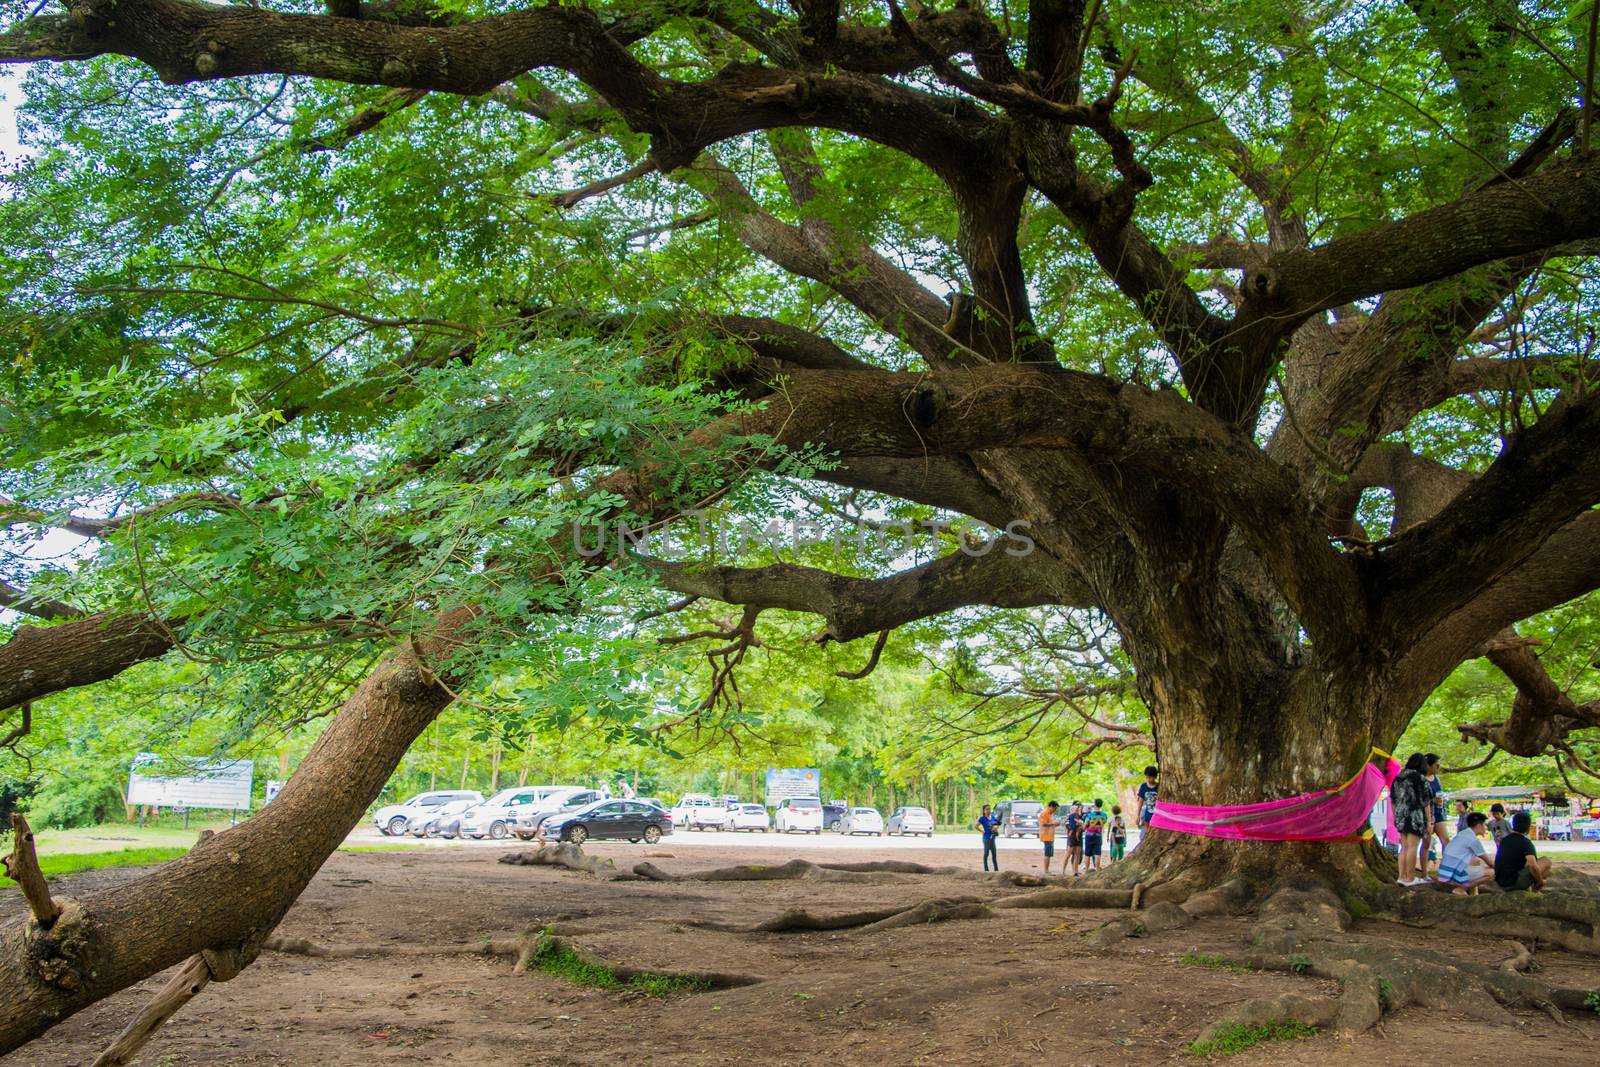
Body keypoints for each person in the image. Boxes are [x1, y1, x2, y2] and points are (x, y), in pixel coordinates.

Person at [1391, 753, 1431, 886]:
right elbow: (1426, 802)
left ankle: (1401, 876)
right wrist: (1429, 821)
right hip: (1414, 815)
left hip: (1400, 815)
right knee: (1413, 846)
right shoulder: (1420, 778)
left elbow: (1393, 800)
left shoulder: (1398, 777)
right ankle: (1410, 878)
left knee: (1404, 847)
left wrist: (1395, 816)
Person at [1435, 812, 1495, 894]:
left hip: (1445, 872)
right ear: (1479, 825)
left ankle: (1474, 894)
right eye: (1484, 825)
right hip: (1454, 874)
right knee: (1493, 873)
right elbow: (1490, 862)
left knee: (1476, 862)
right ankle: (1461, 889)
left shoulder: (1463, 833)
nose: (1486, 828)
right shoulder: (1473, 839)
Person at [1494, 811, 1552, 892]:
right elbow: (1533, 866)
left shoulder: (1505, 840)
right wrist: (1540, 881)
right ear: (1528, 827)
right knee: (1546, 861)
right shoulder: (1526, 843)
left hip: (1500, 882)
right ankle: (1536, 890)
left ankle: (1528, 888)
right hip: (1514, 882)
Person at [1419, 754, 1449, 880]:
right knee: (1426, 844)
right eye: (1437, 764)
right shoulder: (1420, 779)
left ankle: (1446, 872)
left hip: (1438, 813)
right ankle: (1425, 873)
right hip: (1426, 815)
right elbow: (1419, 799)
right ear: (1429, 766)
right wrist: (1432, 800)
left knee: (1446, 842)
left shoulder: (1436, 778)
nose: (1439, 767)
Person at [1083, 800, 1107, 872]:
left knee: (1087, 853)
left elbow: (1085, 826)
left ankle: (1086, 870)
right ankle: (1097, 869)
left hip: (1089, 835)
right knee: (1097, 853)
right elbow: (1103, 824)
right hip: (1098, 835)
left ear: (1095, 805)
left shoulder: (1090, 815)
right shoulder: (1104, 815)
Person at [976, 804, 1001, 872]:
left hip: (992, 838)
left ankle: (996, 870)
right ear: (984, 811)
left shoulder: (993, 817)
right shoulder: (982, 818)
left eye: (989, 809)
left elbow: (997, 824)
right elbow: (976, 826)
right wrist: (982, 831)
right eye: (987, 809)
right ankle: (986, 869)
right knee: (986, 854)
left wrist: (995, 828)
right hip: (986, 839)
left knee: (994, 854)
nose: (988, 810)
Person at [1064, 801, 1086, 877]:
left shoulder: (1082, 816)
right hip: (1071, 837)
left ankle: (1075, 871)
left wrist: (1080, 825)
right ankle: (1063, 871)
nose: (1079, 808)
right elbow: (1067, 825)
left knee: (1078, 855)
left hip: (1079, 837)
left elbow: (1084, 827)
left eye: (1080, 807)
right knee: (1068, 854)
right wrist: (1075, 826)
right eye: (1077, 807)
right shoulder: (1070, 816)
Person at [1137, 766, 1159, 836]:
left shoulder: (1159, 786)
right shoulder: (1144, 786)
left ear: (1155, 776)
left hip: (1158, 816)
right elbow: (1140, 802)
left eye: (1151, 777)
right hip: (1148, 817)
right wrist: (1137, 816)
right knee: (1148, 835)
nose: (1149, 779)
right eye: (1147, 777)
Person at [1039, 800, 1059, 875]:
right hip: (1046, 836)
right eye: (1055, 808)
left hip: (1050, 836)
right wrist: (1053, 823)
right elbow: (1044, 824)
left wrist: (1055, 824)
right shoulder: (1045, 813)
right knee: (1047, 853)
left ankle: (1047, 870)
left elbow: (1050, 823)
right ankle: (1046, 870)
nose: (1055, 810)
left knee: (1049, 854)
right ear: (1051, 807)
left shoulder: (1050, 814)